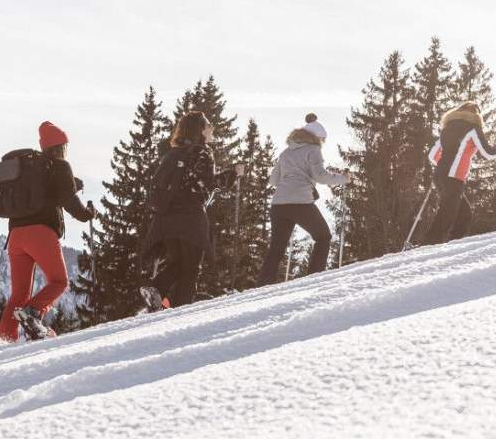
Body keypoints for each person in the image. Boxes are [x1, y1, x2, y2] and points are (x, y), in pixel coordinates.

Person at [0, 121, 94, 342]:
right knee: (59, 281)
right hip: (40, 234)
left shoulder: (32, 169)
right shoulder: (60, 166)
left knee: (19, 293)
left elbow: (50, 192)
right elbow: (69, 201)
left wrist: (71, 184)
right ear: (61, 147)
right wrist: (87, 214)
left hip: (15, 236)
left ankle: (5, 340)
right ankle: (32, 314)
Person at [140, 111, 242, 311]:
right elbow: (205, 184)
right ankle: (181, 311)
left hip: (166, 219)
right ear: (201, 130)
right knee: (191, 268)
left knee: (177, 262)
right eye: (208, 125)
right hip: (190, 219)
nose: (212, 129)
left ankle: (156, 289)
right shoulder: (202, 152)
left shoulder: (174, 153)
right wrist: (232, 175)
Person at [256, 114, 349, 286]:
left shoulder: (286, 152)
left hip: (279, 205)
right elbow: (320, 175)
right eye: (323, 140)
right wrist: (342, 178)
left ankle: (263, 284)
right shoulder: (313, 149)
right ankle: (314, 279)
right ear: (317, 137)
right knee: (323, 236)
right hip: (300, 203)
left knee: (277, 247)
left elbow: (273, 180)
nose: (322, 143)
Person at [421, 102, 496, 245]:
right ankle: (429, 245)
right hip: (453, 176)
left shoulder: (447, 128)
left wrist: (445, 165)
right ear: (475, 114)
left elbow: (432, 155)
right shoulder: (473, 128)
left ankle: (453, 245)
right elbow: (487, 153)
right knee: (448, 213)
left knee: (464, 214)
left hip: (441, 175)